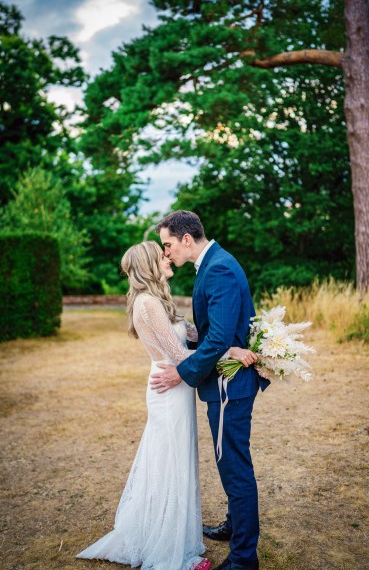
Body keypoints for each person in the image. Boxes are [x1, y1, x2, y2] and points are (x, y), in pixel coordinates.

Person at [76, 241, 252, 570]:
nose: (167, 257)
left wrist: (232, 337)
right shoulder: (147, 304)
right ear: (149, 266)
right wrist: (231, 353)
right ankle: (171, 551)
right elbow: (181, 355)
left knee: (178, 461)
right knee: (169, 464)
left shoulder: (158, 301)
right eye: (162, 256)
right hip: (168, 389)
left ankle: (174, 534)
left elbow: (195, 336)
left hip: (178, 387)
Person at [151, 211, 270, 570]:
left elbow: (218, 337)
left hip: (228, 385)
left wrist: (181, 373)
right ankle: (235, 527)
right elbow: (219, 332)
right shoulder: (214, 263)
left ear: (187, 239)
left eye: (168, 244)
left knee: (234, 466)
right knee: (230, 460)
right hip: (226, 381)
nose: (166, 252)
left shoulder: (216, 268)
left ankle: (244, 559)